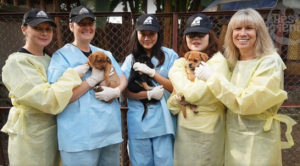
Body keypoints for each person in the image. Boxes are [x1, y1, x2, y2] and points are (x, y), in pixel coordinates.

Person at [194, 8, 297, 166]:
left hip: (258, 138)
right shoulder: (233, 61)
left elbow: (249, 102)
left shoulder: (269, 61)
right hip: (233, 137)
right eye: (237, 29)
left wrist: (212, 78)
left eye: (249, 28)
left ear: (259, 32)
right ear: (231, 34)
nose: (242, 33)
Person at [1, 8, 87, 166]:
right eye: (37, 28)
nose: (44, 33)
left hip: (54, 133)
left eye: (48, 29)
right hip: (30, 136)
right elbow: (47, 99)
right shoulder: (17, 62)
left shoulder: (50, 59)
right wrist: (73, 75)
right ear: (24, 29)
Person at [47, 6, 127, 166]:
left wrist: (116, 91)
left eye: (90, 23)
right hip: (80, 136)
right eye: (81, 23)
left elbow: (123, 78)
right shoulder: (61, 57)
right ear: (71, 26)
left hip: (108, 130)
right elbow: (61, 97)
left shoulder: (106, 54)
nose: (87, 27)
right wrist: (91, 81)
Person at [167, 13, 230, 166]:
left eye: (201, 34)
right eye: (191, 34)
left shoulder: (217, 62)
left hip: (208, 129)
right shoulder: (181, 62)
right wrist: (177, 100)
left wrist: (180, 95)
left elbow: (192, 94)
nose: (195, 38)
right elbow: (172, 104)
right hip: (185, 128)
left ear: (210, 35)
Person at [121, 14, 178, 166]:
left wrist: (153, 73)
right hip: (140, 123)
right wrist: (148, 94)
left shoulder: (170, 56)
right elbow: (125, 90)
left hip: (164, 123)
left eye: (151, 34)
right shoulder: (130, 59)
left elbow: (177, 87)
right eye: (143, 34)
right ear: (136, 34)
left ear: (158, 34)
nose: (147, 38)